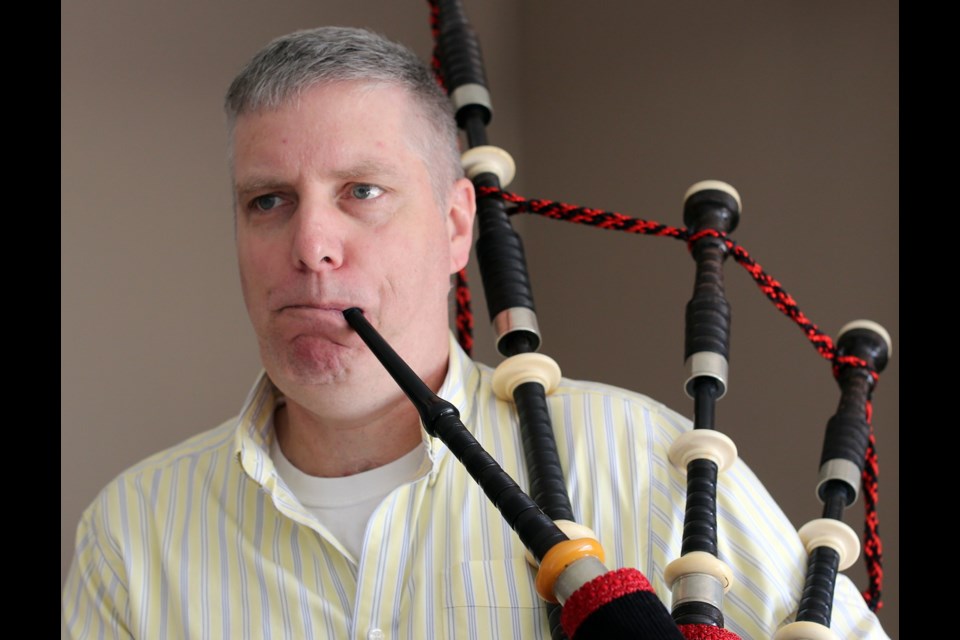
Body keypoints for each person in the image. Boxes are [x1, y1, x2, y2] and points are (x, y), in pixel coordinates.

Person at [62, 26, 888, 640]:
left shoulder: (646, 463)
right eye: (268, 200)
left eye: (362, 191)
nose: (311, 246)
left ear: (458, 226)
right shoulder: (134, 535)